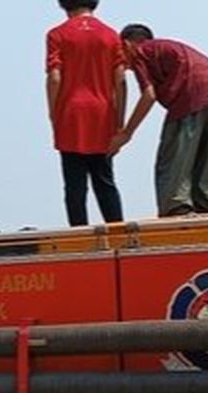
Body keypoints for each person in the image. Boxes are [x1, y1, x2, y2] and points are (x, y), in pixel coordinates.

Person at [111, 24, 208, 217]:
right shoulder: (165, 50)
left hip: (192, 93)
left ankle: (176, 208)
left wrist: (126, 133)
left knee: (172, 157)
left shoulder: (141, 53)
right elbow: (201, 132)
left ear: (127, 44)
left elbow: (149, 95)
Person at [45, 0, 126, 227]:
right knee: (105, 180)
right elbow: (120, 81)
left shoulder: (57, 35)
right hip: (103, 113)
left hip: (70, 112)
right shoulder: (111, 35)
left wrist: (53, 113)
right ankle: (118, 232)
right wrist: (120, 124)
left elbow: (54, 77)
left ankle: (79, 237)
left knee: (74, 186)